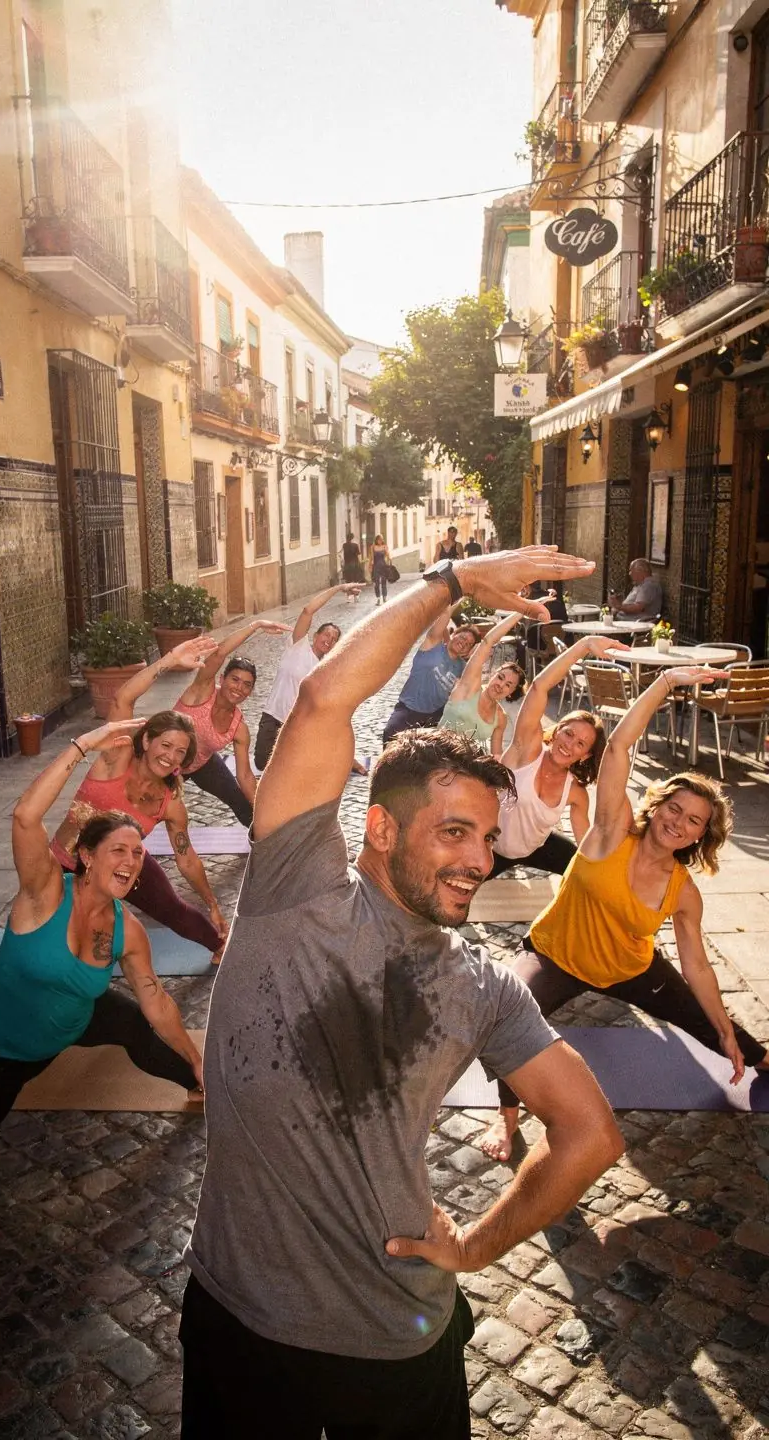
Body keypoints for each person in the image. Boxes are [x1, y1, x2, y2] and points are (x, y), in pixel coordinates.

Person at [180, 545, 623, 1440]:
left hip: (396, 1341)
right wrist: (450, 581)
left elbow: (592, 1136)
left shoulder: (485, 985)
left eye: (488, 838)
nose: (477, 858)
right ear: (377, 828)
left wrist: (474, 1246)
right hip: (237, 1321)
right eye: (454, 831)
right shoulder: (293, 882)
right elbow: (323, 699)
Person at [481, 664, 769, 1161]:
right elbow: (616, 750)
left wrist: (721, 1025)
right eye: (673, 809)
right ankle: (506, 1123)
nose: (678, 822)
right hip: (555, 953)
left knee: (719, 1029)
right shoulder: (612, 829)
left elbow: (696, 965)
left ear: (701, 835)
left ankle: (762, 1058)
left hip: (631, 970)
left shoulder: (683, 892)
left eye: (693, 820)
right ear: (656, 807)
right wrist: (665, 683)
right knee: (507, 1017)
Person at [0, 720, 204, 1182]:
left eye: (137, 853)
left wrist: (195, 1059)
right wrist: (83, 744)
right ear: (87, 855)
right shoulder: (43, 892)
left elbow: (157, 1001)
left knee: (138, 1031)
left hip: (78, 1015)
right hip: (8, 1042)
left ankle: (194, 1082)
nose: (130, 863)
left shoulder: (127, 931)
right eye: (117, 851)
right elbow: (26, 817)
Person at [51, 707, 228, 962]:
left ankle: (219, 945)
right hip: (65, 865)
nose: (170, 757)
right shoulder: (117, 759)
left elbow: (187, 859)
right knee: (61, 936)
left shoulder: (170, 803)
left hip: (124, 864)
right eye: (165, 745)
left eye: (180, 752)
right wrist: (169, 664)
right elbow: (124, 697)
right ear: (146, 740)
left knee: (172, 908)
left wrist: (212, 904)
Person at [111, 626, 290, 829]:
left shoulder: (239, 728)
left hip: (202, 765)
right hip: (168, 761)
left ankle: (269, 842)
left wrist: (267, 812)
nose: (239, 688)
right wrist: (255, 625)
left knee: (242, 804)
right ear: (222, 679)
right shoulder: (202, 691)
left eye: (247, 685)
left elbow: (246, 777)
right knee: (143, 811)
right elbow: (220, 652)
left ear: (250, 691)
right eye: (235, 679)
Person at [483, 635, 621, 883]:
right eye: (568, 733)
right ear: (556, 731)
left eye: (580, 744)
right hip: (490, 849)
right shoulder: (526, 751)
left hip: (536, 848)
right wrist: (584, 645)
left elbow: (585, 842)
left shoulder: (576, 792)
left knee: (584, 873)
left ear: (585, 755)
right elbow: (539, 687)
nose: (569, 744)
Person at [254, 581, 362, 771]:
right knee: (261, 763)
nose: (328, 640)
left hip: (297, 725)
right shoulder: (297, 645)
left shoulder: (325, 668)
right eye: (326, 635)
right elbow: (307, 610)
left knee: (291, 769)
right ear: (315, 636)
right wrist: (339, 588)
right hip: (273, 715)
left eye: (334, 639)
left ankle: (345, 760)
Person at [381, 608, 480, 745]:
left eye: (469, 644)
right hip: (408, 709)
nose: (464, 643)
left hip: (434, 717)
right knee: (390, 735)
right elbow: (443, 618)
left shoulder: (463, 668)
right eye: (463, 637)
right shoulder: (432, 646)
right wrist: (455, 599)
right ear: (454, 635)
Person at [439, 614, 525, 755]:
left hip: (464, 766)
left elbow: (496, 754)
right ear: (493, 675)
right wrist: (522, 611)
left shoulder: (500, 717)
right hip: (436, 754)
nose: (500, 685)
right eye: (500, 677)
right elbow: (488, 641)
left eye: (508, 685)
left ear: (511, 692)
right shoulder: (470, 688)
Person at [370, 533, 391, 605]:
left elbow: (388, 556)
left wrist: (389, 562)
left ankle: (384, 597)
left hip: (383, 566)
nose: (380, 541)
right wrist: (370, 566)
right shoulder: (373, 547)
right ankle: (378, 598)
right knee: (376, 583)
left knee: (384, 582)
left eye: (382, 540)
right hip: (376, 566)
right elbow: (372, 558)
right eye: (379, 540)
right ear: (376, 540)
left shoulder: (385, 546)